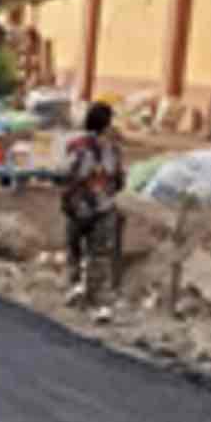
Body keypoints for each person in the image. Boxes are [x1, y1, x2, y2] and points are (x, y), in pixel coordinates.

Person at [62, 101, 124, 322]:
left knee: (75, 251)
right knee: (99, 255)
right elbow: (119, 181)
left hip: (77, 207)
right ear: (107, 125)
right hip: (103, 208)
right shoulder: (113, 150)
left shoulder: (74, 146)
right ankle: (98, 301)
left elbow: (66, 175)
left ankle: (75, 287)